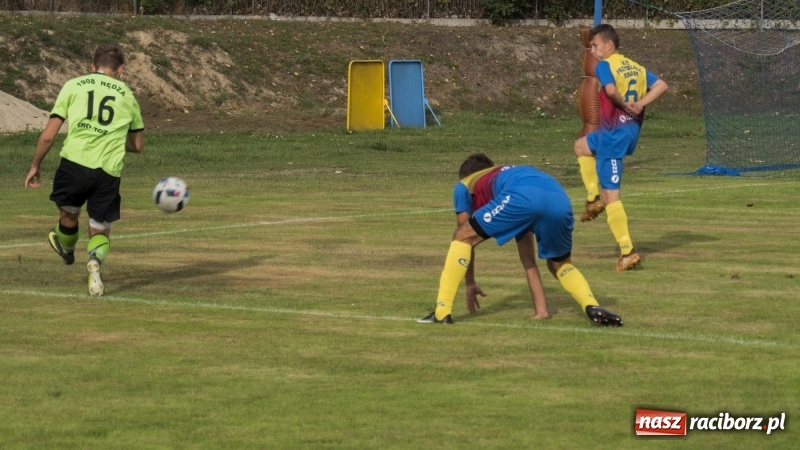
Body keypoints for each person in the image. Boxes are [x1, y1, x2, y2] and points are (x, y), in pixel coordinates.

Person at [418, 153, 623, 326]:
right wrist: (541, 311)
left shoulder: (465, 184)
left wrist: (470, 282)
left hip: (521, 195)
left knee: (462, 236)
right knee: (559, 264)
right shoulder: (508, 176)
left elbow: (462, 233)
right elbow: (528, 261)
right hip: (559, 197)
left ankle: (441, 311)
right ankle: (590, 305)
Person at [24, 44, 145, 297]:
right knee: (100, 228)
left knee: (68, 216)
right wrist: (111, 138)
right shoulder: (127, 95)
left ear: (92, 66)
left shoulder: (74, 85)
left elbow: (48, 135)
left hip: (74, 164)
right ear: (121, 70)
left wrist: (35, 165)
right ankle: (94, 263)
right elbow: (137, 145)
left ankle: (67, 249)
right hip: (107, 171)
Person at [574, 24, 668, 271]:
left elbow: (610, 90)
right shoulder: (634, 66)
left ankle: (628, 252)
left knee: (612, 196)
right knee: (581, 146)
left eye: (595, 45)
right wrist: (641, 104)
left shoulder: (604, 65)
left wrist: (625, 104)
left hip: (614, 137)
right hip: (619, 132)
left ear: (609, 45)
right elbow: (661, 85)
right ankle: (592, 198)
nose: (592, 50)